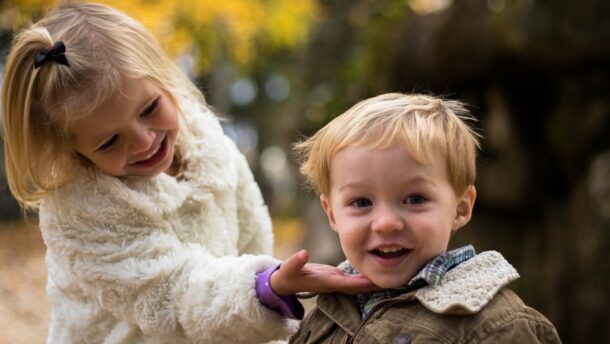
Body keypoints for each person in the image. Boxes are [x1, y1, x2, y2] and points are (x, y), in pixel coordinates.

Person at [1, 3, 374, 343]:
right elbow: (171, 296)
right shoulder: (80, 212)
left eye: (149, 108)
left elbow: (250, 237)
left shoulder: (208, 147)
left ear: (164, 79)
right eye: (110, 141)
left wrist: (270, 309)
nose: (144, 141)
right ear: (74, 150)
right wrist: (264, 289)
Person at [290, 93, 562, 343]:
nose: (386, 223)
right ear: (332, 214)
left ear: (461, 208)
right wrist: (267, 290)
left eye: (415, 199)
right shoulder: (326, 310)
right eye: (361, 202)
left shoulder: (497, 325)